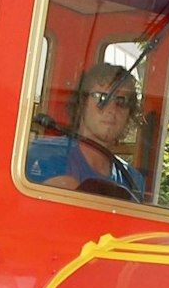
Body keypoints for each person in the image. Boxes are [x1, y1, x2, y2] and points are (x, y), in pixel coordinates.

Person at [26, 65, 149, 199]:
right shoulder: (46, 154)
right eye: (102, 98)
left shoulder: (133, 179)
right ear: (82, 103)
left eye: (122, 101)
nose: (112, 109)